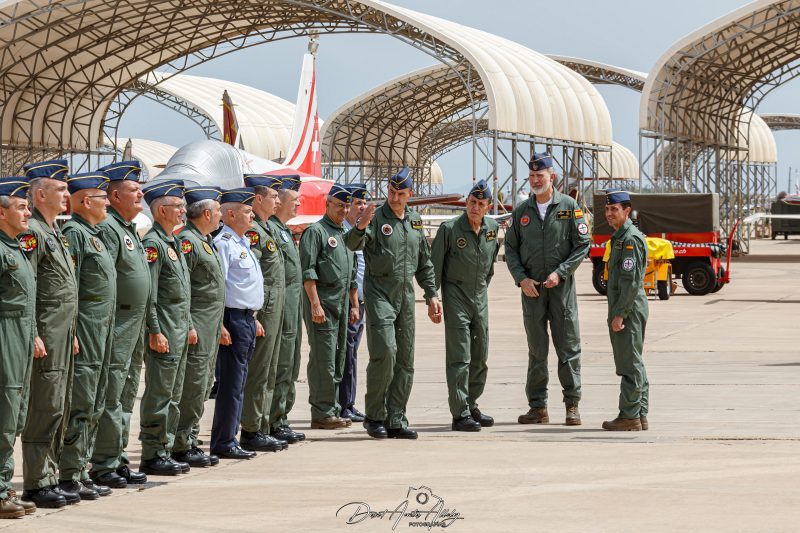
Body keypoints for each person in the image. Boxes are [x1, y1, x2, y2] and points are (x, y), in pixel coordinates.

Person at [345, 167, 442, 440]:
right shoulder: (376, 218)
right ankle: (375, 415)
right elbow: (351, 243)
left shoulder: (414, 221)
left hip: (405, 296)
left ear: (410, 194)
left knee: (405, 359)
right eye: (391, 192)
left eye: (400, 194)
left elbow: (424, 262)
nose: (395, 198)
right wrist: (361, 224)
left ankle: (396, 418)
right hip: (379, 293)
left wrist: (432, 295)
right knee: (385, 352)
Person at [504, 153, 590, 426]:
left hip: (560, 291)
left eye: (539, 176)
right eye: (531, 176)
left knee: (568, 349)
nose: (535, 180)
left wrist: (561, 273)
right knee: (536, 351)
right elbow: (511, 249)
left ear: (552, 177)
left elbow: (582, 244)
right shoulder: (522, 211)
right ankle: (538, 408)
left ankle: (572, 405)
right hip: (532, 292)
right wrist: (521, 279)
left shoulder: (569, 207)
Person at [18, 160, 80, 508]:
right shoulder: (34, 234)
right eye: (61, 189)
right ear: (41, 193)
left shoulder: (53, 231)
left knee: (60, 404)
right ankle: (37, 483)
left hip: (60, 334)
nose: (67, 195)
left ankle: (51, 476)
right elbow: (31, 288)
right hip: (45, 336)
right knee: (45, 405)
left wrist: (68, 331)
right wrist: (38, 333)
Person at [57, 171, 116, 500]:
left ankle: (81, 469)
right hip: (87, 327)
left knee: (95, 398)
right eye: (101, 197)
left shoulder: (93, 234)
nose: (107, 202)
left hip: (102, 326)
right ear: (83, 202)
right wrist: (75, 329)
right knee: (81, 399)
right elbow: (73, 287)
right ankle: (68, 473)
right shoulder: (75, 233)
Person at [91, 160, 150, 487]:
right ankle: (103, 463)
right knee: (111, 395)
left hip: (134, 323)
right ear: (114, 195)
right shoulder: (109, 229)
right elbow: (106, 282)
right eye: (133, 189)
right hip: (117, 324)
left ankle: (119, 458)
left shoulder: (127, 229)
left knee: (126, 394)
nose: (140, 193)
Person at [431, 180, 500, 432]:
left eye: (481, 204)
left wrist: (480, 288)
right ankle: (459, 413)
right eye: (472, 202)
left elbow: (490, 266)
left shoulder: (492, 228)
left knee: (480, 354)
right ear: (466, 203)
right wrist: (433, 297)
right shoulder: (449, 229)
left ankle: (471, 404)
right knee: (460, 356)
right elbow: (434, 267)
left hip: (479, 297)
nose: (475, 207)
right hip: (456, 297)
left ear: (487, 207)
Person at [138, 179, 193, 476]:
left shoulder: (173, 242)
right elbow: (152, 293)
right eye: (178, 206)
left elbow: (182, 292)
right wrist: (155, 330)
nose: (183, 210)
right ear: (161, 210)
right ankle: (152, 451)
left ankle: (167, 447)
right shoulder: (154, 244)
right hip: (165, 332)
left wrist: (190, 325)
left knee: (174, 393)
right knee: (160, 393)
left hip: (179, 329)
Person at [172, 186, 225, 466]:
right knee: (193, 384)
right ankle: (181, 443)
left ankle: (190, 436)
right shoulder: (189, 242)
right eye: (218, 211)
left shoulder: (204, 240)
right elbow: (184, 288)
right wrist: (190, 324)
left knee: (203, 383)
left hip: (210, 324)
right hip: (197, 325)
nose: (220, 215)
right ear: (206, 213)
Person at [210, 187, 264, 460]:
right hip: (231, 319)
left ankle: (230, 436)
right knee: (231, 383)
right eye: (246, 211)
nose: (252, 214)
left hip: (245, 319)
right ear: (230, 214)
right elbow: (220, 288)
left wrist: (253, 318)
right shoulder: (224, 244)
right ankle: (224, 440)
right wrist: (220, 324)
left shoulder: (242, 243)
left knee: (240, 381)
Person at [300, 184, 358, 430]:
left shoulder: (345, 235)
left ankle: (332, 408)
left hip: (342, 305)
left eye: (347, 206)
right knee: (324, 359)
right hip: (322, 305)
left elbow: (352, 275)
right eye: (339, 205)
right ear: (328, 204)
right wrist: (315, 304)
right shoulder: (316, 232)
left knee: (338, 358)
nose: (344, 210)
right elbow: (308, 272)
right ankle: (322, 411)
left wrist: (354, 306)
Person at [0, 177, 39, 519]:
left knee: (16, 413)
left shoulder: (17, 247)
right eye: (21, 206)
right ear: (1, 212)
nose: (28, 212)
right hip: (5, 336)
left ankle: (5, 486)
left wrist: (34, 334)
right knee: (5, 411)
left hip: (22, 335)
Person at [240, 175, 287, 453]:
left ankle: (264, 423)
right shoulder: (255, 231)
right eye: (273, 197)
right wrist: (255, 312)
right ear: (259, 199)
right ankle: (251, 428)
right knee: (259, 370)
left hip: (275, 307)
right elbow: (251, 274)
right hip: (265, 308)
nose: (278, 201)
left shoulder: (267, 228)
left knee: (271, 368)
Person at [602, 190, 650, 431]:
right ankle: (639, 413)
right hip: (627, 305)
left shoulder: (629, 239)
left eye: (615, 210)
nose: (609, 214)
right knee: (634, 360)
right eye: (608, 209)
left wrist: (620, 313)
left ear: (627, 211)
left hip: (628, 308)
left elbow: (630, 282)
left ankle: (630, 416)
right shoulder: (620, 237)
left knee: (629, 362)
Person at [268, 176, 305, 444]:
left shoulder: (282, 230)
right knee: (279, 365)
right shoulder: (269, 229)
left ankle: (281, 418)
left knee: (290, 365)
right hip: (279, 311)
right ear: (279, 201)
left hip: (292, 309)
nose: (299, 204)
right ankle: (272, 419)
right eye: (294, 199)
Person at [339, 183, 369, 423]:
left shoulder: (363, 231)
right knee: (347, 353)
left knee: (352, 353)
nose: (361, 207)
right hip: (350, 303)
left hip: (361, 301)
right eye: (357, 203)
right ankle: (344, 404)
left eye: (363, 203)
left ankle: (348, 402)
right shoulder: (343, 233)